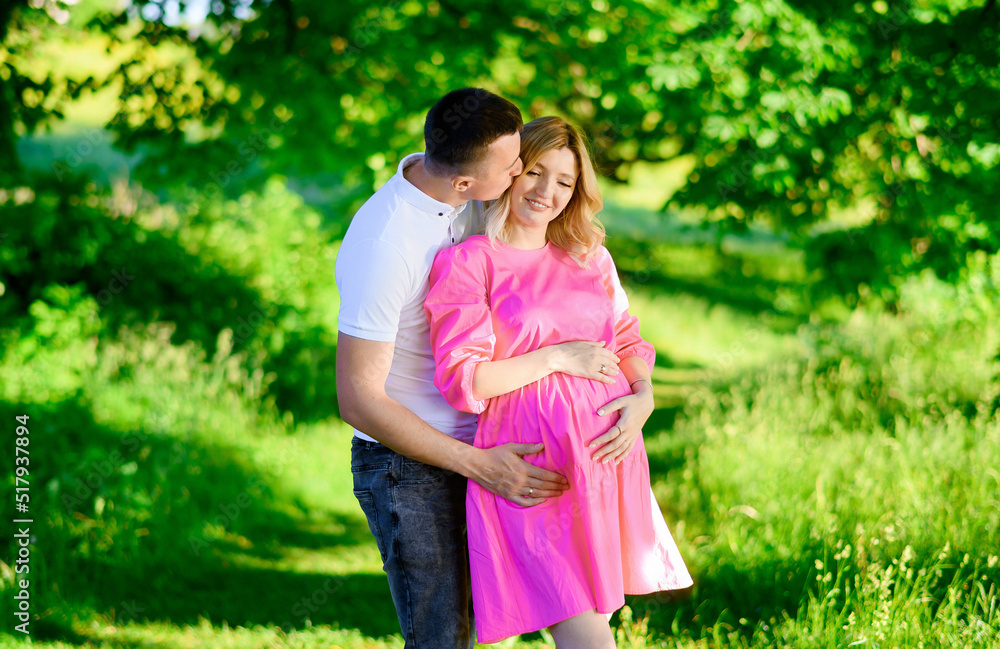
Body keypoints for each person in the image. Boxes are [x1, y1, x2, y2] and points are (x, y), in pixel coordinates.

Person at [424, 116, 694, 648]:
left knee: (590, 623)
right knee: (585, 632)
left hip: (604, 466)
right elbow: (465, 379)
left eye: (565, 182)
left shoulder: (590, 259)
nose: (547, 191)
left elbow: (627, 341)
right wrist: (556, 358)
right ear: (510, 172)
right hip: (532, 470)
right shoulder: (470, 262)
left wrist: (643, 397)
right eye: (536, 172)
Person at [335, 88, 579, 649]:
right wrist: (481, 466)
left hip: (489, 443)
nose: (521, 172)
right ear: (465, 184)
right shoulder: (384, 245)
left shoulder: (468, 195)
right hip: (409, 467)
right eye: (513, 166)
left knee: (510, 618)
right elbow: (358, 399)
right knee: (444, 638)